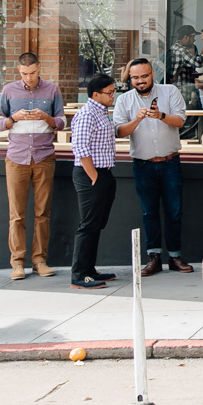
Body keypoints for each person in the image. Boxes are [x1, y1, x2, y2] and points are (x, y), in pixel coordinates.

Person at [114, 57, 193, 276]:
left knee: (174, 212)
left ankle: (175, 256)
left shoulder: (170, 92)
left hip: (170, 162)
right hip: (143, 164)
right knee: (149, 212)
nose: (140, 81)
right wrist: (137, 120)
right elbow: (119, 131)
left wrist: (160, 116)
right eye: (135, 78)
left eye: (144, 76)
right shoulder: (124, 100)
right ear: (130, 79)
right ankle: (153, 257)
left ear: (152, 74)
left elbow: (180, 121)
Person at [0, 52, 66, 280]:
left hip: (44, 155)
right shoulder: (8, 90)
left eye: (33, 73)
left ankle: (39, 260)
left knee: (42, 212)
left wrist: (46, 117)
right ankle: (17, 263)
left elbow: (62, 122)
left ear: (39, 68)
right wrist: (13, 118)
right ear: (19, 71)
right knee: (16, 214)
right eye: (25, 74)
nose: (29, 78)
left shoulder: (52, 89)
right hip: (17, 157)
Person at [69, 73, 119, 290]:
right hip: (90, 174)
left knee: (97, 224)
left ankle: (89, 269)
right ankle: (79, 275)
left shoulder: (102, 112)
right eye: (109, 93)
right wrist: (95, 177)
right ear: (96, 94)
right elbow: (81, 148)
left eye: (114, 91)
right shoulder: (87, 114)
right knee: (88, 225)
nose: (113, 96)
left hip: (103, 172)